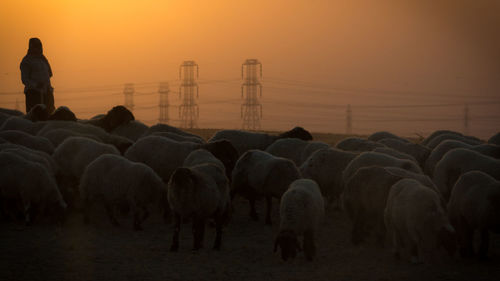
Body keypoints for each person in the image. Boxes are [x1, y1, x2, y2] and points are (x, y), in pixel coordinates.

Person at [20, 37, 55, 113]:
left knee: (50, 115)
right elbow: (24, 79)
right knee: (36, 117)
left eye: (39, 46)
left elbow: (50, 73)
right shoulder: (27, 61)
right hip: (33, 94)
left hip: (47, 92)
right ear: (31, 47)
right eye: (36, 47)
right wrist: (36, 85)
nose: (38, 49)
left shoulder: (43, 59)